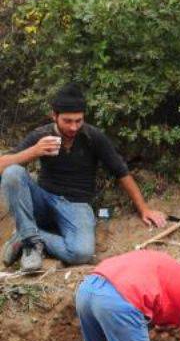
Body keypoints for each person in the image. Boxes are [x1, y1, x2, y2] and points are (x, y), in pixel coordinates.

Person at [0, 83, 167, 272]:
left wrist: (144, 209)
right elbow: (2, 166)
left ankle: (25, 235)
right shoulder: (41, 135)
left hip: (76, 205)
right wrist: (34, 151)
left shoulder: (92, 136)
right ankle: (31, 245)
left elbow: (121, 172)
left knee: (81, 253)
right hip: (44, 199)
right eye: (68, 121)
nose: (73, 127)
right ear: (54, 116)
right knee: (13, 173)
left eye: (78, 120)